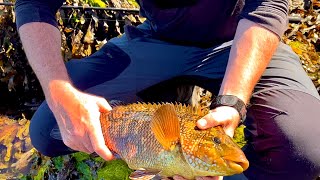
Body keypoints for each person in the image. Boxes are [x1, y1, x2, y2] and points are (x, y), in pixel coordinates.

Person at [14, 0, 320, 179]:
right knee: (49, 130)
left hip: (241, 39)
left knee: (305, 149)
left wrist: (233, 101)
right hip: (154, 41)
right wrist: (60, 93)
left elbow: (268, 4)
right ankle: (167, 100)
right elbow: (34, 3)